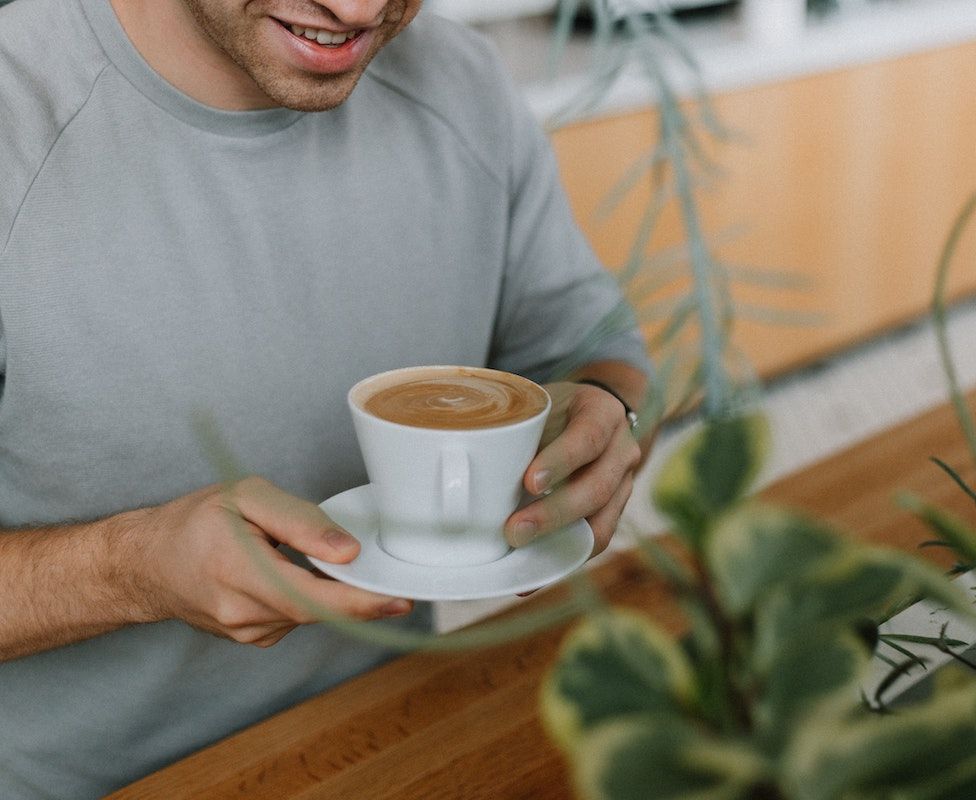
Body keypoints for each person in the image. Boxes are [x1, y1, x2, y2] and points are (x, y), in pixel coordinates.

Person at [0, 0, 650, 795]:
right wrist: (128, 570)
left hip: (385, 742)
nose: (356, 9)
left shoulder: (462, 83)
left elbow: (593, 346)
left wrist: (606, 407)